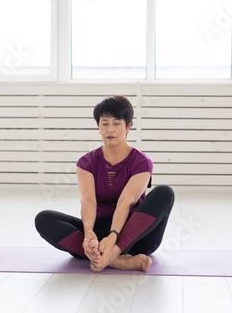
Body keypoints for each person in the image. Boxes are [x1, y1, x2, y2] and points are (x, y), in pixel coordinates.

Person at [35, 95, 175, 272]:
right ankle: (116, 261)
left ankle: (110, 255)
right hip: (99, 237)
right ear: (98, 127)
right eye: (105, 123)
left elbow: (126, 201)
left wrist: (114, 238)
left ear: (128, 126)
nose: (110, 129)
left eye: (117, 123)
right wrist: (88, 234)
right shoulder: (86, 162)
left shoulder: (142, 162)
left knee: (164, 192)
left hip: (136, 237)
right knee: (44, 219)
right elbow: (88, 201)